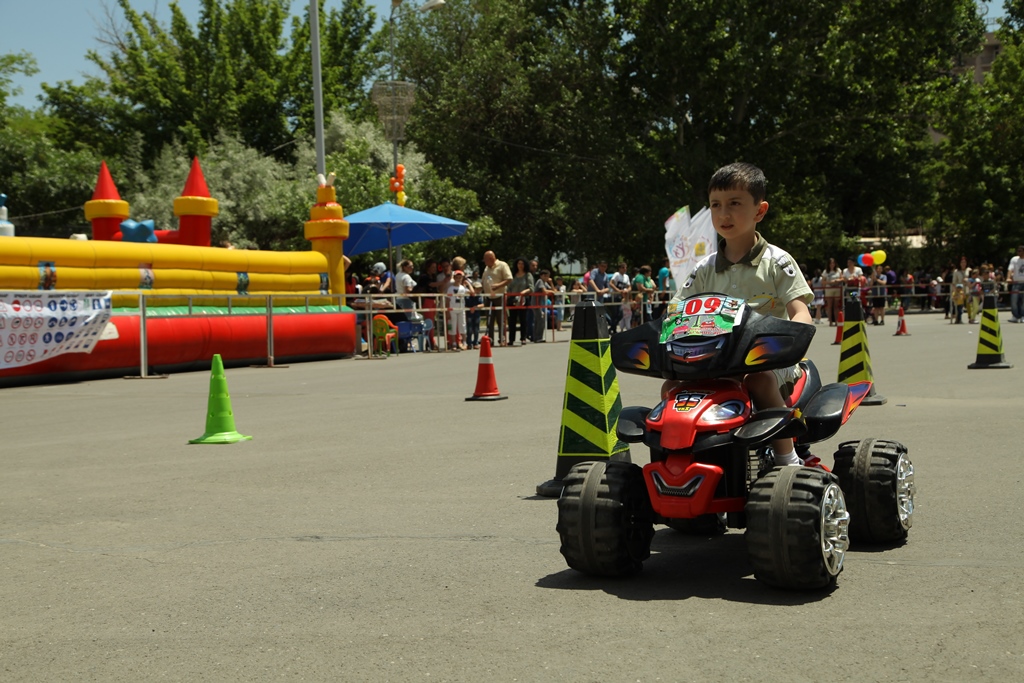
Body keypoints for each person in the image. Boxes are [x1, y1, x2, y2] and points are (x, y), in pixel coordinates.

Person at [668, 162, 815, 468]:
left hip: (768, 361)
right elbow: (676, 312)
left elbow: (800, 313)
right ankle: (682, 460)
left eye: (734, 203)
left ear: (760, 211)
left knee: (758, 380)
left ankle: (787, 458)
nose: (724, 214)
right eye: (716, 205)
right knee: (672, 388)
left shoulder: (777, 262)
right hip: (714, 360)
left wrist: (788, 340)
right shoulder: (704, 269)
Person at [482, 250, 512, 344]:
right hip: (488, 297)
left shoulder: (502, 265)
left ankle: (502, 338)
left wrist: (498, 285)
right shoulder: (486, 268)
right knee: (489, 319)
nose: (484, 261)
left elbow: (509, 279)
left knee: (501, 319)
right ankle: (490, 340)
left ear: (491, 258)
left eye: (485, 259)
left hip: (500, 296)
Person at [507, 257, 534, 346]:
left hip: (523, 299)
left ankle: (523, 338)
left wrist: (523, 292)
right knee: (512, 320)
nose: (520, 265)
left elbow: (531, 288)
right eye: (519, 263)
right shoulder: (513, 275)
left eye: (522, 263)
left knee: (523, 319)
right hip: (513, 299)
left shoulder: (528, 275)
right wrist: (509, 295)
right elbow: (509, 287)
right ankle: (511, 339)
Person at [446, 270, 469, 350]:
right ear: (454, 278)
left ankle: (464, 342)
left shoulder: (463, 288)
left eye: (460, 278)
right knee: (452, 326)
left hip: (461, 308)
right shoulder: (450, 288)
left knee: (462, 325)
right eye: (457, 277)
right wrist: (448, 311)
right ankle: (454, 343)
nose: (458, 279)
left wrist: (467, 283)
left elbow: (472, 292)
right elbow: (447, 300)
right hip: (452, 309)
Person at [532, 269, 556, 341]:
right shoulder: (540, 281)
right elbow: (545, 291)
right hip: (536, 303)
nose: (546, 278)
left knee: (538, 320)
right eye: (544, 276)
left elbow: (553, 290)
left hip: (540, 304)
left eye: (547, 276)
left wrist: (551, 282)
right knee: (540, 320)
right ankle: (538, 337)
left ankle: (536, 337)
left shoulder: (545, 283)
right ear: (541, 276)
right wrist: (551, 291)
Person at [609, 262, 633, 332]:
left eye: (625, 267)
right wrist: (618, 290)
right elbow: (611, 283)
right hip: (614, 296)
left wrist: (627, 290)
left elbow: (629, 286)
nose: (624, 269)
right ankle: (613, 329)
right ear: (619, 268)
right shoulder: (617, 275)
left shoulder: (626, 277)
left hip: (621, 297)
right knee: (615, 314)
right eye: (623, 267)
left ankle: (612, 327)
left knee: (620, 314)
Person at [823, 258, 843, 325]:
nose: (832, 264)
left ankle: (837, 321)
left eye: (833, 263)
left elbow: (842, 278)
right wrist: (830, 282)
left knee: (836, 306)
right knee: (829, 306)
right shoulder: (825, 271)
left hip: (837, 288)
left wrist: (837, 281)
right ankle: (830, 321)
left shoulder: (838, 270)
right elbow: (823, 281)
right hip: (829, 289)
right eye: (830, 263)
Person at [1008, 245, 1024, 323]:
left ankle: (1023, 316)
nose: (1018, 252)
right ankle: (1015, 316)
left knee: (1023, 302)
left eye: (1020, 251)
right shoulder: (1014, 259)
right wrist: (1008, 277)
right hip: (1016, 282)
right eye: (1018, 251)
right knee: (1014, 300)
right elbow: (1010, 269)